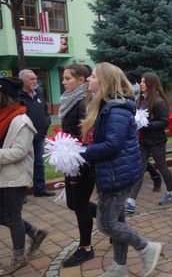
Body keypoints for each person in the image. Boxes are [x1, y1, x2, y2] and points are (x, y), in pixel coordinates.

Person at [80, 62, 161, 276]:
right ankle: (119, 266)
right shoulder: (108, 106)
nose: (89, 79)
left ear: (105, 82)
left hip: (117, 174)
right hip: (116, 171)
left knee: (106, 224)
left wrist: (81, 153)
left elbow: (112, 144)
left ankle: (146, 247)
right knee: (117, 220)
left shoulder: (114, 109)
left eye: (94, 76)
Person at [0, 77, 48, 275]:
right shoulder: (2, 117)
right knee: (4, 215)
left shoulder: (21, 120)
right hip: (3, 175)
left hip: (15, 176)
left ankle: (19, 257)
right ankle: (36, 233)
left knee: (12, 216)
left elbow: (19, 151)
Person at [58, 64, 97, 267]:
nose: (63, 82)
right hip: (71, 157)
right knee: (72, 203)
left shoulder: (84, 101)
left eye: (67, 78)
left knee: (80, 204)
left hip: (81, 160)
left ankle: (86, 248)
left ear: (81, 80)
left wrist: (76, 158)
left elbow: (87, 134)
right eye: (63, 78)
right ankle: (114, 218)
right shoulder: (70, 99)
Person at [126, 72, 172, 213]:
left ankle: (171, 192)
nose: (141, 83)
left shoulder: (159, 101)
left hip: (157, 141)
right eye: (141, 81)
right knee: (140, 169)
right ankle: (131, 202)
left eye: (144, 81)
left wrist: (145, 124)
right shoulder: (141, 99)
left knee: (162, 167)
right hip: (143, 141)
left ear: (151, 83)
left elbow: (164, 122)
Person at [18, 69, 54, 197]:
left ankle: (40, 188)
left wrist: (47, 121)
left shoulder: (38, 92)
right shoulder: (18, 95)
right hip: (23, 136)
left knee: (38, 162)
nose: (35, 81)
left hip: (39, 135)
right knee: (22, 164)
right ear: (22, 80)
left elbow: (45, 108)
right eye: (31, 79)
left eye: (35, 78)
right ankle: (21, 194)